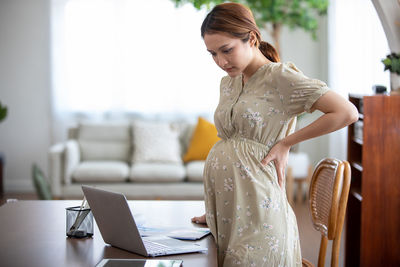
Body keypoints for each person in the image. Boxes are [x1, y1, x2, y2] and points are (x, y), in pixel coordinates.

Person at [190, 2, 359, 267]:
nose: (220, 61)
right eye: (212, 53)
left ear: (252, 39)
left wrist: (287, 142)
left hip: (261, 215)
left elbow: (346, 112)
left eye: (227, 50)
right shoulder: (229, 82)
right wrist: (218, 208)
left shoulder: (280, 77)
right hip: (230, 214)